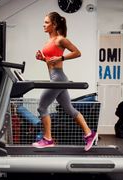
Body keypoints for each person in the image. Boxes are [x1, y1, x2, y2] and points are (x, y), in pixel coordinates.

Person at [32, 12, 97, 151]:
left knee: (42, 107)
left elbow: (77, 52)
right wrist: (42, 59)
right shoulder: (48, 42)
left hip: (58, 78)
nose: (44, 25)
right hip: (56, 77)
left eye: (46, 22)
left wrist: (62, 58)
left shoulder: (60, 39)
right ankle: (90, 134)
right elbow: (51, 61)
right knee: (69, 109)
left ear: (54, 25)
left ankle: (48, 139)